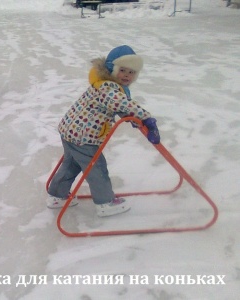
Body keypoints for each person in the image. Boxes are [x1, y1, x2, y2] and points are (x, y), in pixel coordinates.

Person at [47, 45, 160, 217]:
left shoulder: (104, 84)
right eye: (122, 70)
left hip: (71, 131)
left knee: (72, 164)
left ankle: (57, 196)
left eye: (132, 73)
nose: (127, 76)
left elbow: (116, 104)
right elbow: (121, 103)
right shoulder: (108, 87)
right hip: (85, 137)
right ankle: (105, 202)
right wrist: (146, 118)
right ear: (111, 68)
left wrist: (132, 118)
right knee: (96, 169)